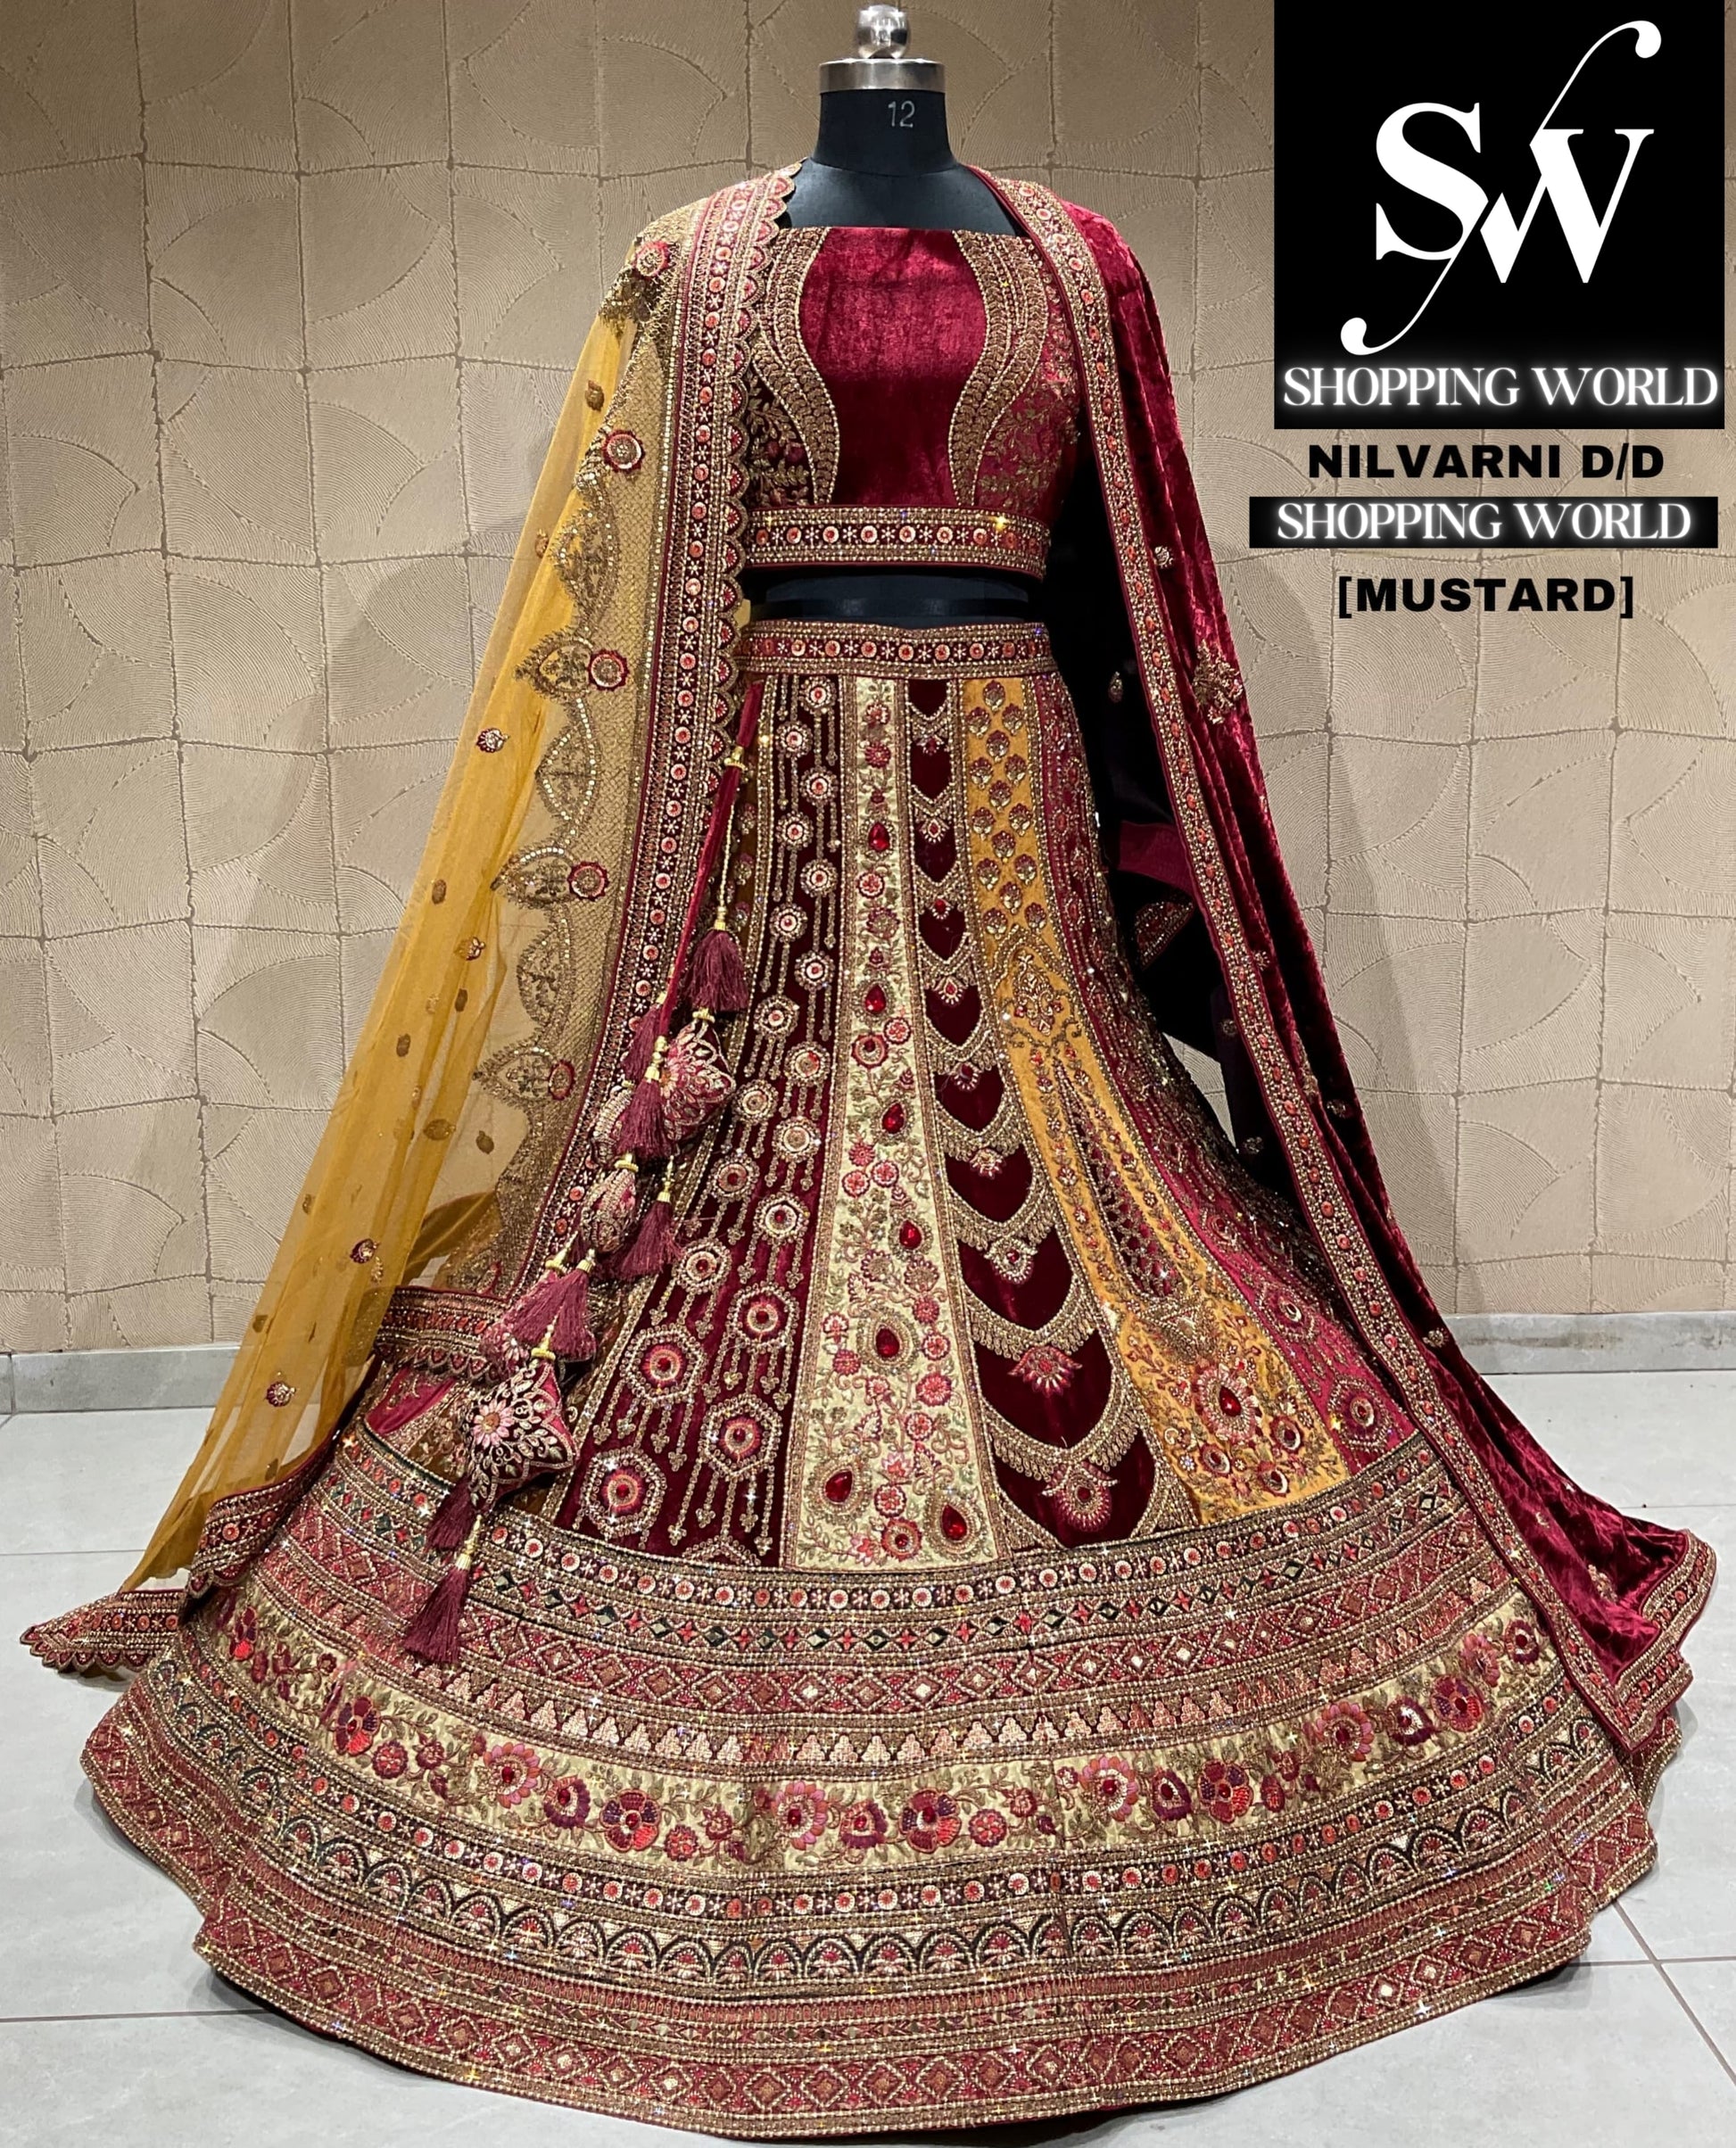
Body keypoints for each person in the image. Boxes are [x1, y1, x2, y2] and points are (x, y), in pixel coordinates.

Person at [27, 9, 1711, 2132]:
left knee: (1105, 1179)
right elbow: (642, 604)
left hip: (1010, 796)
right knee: (740, 1174)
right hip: (786, 802)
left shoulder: (1084, 260)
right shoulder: (694, 256)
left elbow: (1139, 592)